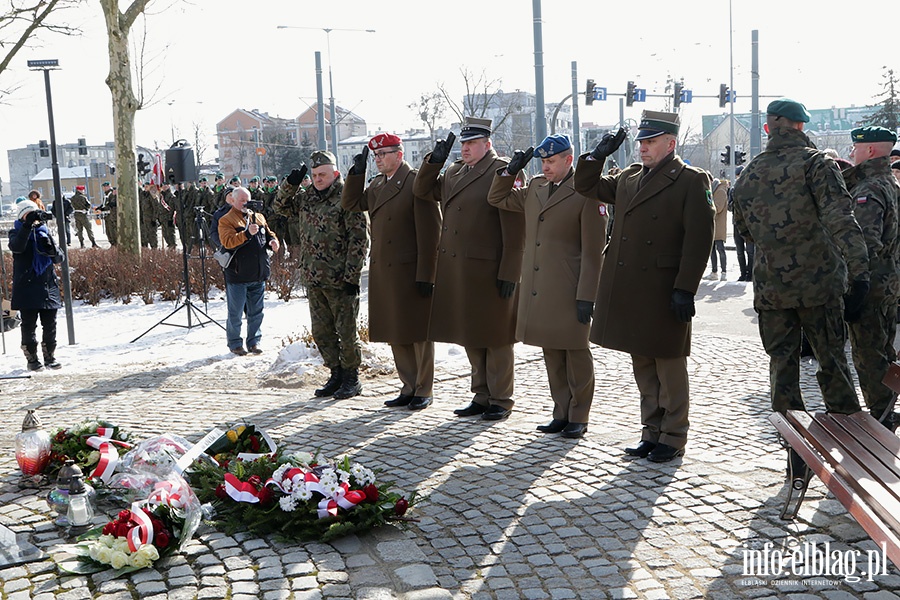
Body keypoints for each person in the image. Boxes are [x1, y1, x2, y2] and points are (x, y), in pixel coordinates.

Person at [574, 110, 715, 462]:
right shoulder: (629, 178)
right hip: (633, 286)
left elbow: (700, 238)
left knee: (669, 364)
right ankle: (650, 431)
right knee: (643, 364)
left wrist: (686, 288)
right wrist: (597, 156)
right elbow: (586, 185)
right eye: (641, 142)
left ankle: (674, 434)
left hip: (665, 288)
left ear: (671, 143)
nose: (643, 148)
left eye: (650, 142)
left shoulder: (690, 180)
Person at [731, 99, 869, 453]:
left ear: (768, 129)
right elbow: (841, 220)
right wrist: (860, 273)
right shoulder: (816, 164)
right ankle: (850, 444)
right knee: (832, 362)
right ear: (800, 126)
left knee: (782, 367)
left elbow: (744, 232)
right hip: (819, 285)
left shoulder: (749, 173)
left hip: (772, 290)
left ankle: (795, 448)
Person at [488, 134, 605, 438]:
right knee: (551, 352)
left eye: (551, 161)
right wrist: (509, 172)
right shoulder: (536, 188)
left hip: (570, 287)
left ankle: (579, 415)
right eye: (543, 161)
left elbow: (594, 250)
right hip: (540, 286)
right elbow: (497, 199)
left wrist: (587, 295)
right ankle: (561, 412)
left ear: (569, 159)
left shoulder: (586, 191)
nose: (546, 166)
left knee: (576, 354)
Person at [413, 117, 526, 421]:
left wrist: (511, 270)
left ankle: (501, 398)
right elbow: (422, 189)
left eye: (472, 143)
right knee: (471, 334)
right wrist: (433, 162)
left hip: (490, 267)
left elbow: (515, 225)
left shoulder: (503, 169)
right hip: (457, 268)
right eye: (463, 143)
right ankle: (482, 394)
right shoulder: (452, 172)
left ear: (487, 144)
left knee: (497, 335)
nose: (465, 148)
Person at [342, 134, 441, 411]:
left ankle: (424, 387)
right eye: (375, 155)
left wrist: (427, 273)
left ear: (399, 154)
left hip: (411, 270)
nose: (378, 159)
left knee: (418, 332)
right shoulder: (376, 185)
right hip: (385, 269)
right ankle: (408, 386)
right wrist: (357, 173)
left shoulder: (415, 182)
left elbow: (431, 232)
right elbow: (350, 203)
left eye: (383, 154)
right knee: (397, 330)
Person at [276, 151, 369, 399]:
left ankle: (352, 378)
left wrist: (352, 277)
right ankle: (335, 374)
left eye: (322, 174)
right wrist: (291, 184)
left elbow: (359, 240)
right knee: (322, 332)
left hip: (340, 280)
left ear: (335, 174)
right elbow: (279, 206)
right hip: (314, 277)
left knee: (346, 332)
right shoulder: (306, 199)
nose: (317, 179)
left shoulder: (347, 198)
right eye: (314, 175)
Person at [843, 126, 900, 429]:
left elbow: (864, 243)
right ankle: (887, 408)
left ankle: (882, 417)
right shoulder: (891, 183)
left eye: (855, 148)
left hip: (872, 286)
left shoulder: (869, 189)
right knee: (885, 350)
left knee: (868, 355)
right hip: (889, 283)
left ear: (870, 151)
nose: (852, 153)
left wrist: (855, 285)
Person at [217, 186, 279, 355]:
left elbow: (268, 233)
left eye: (247, 200)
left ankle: (254, 342)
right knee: (235, 313)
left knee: (256, 313)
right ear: (233, 201)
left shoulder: (258, 217)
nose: (245, 203)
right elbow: (227, 242)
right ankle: (235, 343)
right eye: (241, 201)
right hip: (238, 274)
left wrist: (273, 241)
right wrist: (246, 234)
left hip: (258, 273)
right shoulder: (226, 220)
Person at [8, 200, 64, 370]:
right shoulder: (15, 232)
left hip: (47, 285)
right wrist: (27, 225)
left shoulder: (44, 232)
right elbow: (17, 247)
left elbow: (59, 259)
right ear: (22, 216)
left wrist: (52, 249)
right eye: (28, 214)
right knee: (29, 324)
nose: (34, 219)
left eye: (35, 214)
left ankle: (50, 357)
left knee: (50, 324)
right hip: (27, 286)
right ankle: (32, 359)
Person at [727, 166, 754, 281]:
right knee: (739, 251)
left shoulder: (752, 188)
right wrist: (736, 205)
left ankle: (750, 274)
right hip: (737, 223)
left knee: (750, 251)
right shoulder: (734, 189)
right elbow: (729, 206)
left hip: (749, 223)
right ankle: (743, 273)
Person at [705, 178, 728, 280]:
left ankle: (723, 272)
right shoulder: (713, 190)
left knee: (720, 249)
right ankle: (714, 272)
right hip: (713, 225)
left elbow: (718, 208)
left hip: (718, 226)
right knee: (712, 250)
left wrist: (707, 206)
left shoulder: (720, 191)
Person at [139, 182, 160, 249]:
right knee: (144, 236)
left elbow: (156, 207)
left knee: (152, 236)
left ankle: (154, 250)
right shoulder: (142, 195)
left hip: (151, 220)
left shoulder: (152, 195)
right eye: (144, 186)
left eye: (147, 186)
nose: (145, 187)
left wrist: (154, 219)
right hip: (144, 220)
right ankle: (145, 251)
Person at [158, 183, 177, 249]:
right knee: (165, 234)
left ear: (169, 186)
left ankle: (172, 246)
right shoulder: (161, 195)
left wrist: (170, 219)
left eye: (166, 185)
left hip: (168, 218)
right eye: (163, 185)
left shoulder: (171, 196)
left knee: (170, 234)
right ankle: (169, 245)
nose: (164, 187)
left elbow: (171, 208)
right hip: (162, 218)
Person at [98, 182, 118, 246]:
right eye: (103, 187)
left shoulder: (111, 194)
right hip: (106, 215)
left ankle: (115, 244)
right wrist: (99, 208)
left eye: (105, 187)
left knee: (112, 231)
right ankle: (112, 243)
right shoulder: (105, 194)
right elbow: (104, 204)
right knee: (108, 231)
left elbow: (110, 204)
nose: (104, 188)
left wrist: (102, 209)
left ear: (109, 186)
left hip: (111, 214)